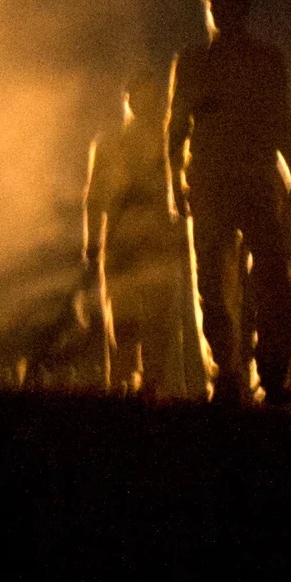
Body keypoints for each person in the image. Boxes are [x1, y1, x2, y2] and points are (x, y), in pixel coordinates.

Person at [164, 0, 291, 406]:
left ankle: (270, 373)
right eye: (217, 2)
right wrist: (174, 186)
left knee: (271, 279)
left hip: (255, 180)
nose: (223, 10)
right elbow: (175, 128)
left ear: (244, 8)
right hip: (211, 181)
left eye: (231, 2)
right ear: (208, 7)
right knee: (213, 284)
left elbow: (282, 125)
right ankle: (226, 371)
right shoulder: (192, 61)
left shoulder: (266, 61)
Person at [77, 76, 172, 391]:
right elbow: (93, 198)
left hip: (155, 242)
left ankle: (150, 386)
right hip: (119, 242)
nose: (146, 106)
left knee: (158, 319)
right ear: (128, 100)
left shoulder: (167, 142)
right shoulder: (108, 144)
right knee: (120, 320)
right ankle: (119, 384)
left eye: (151, 98)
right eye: (139, 98)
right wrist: (90, 245)